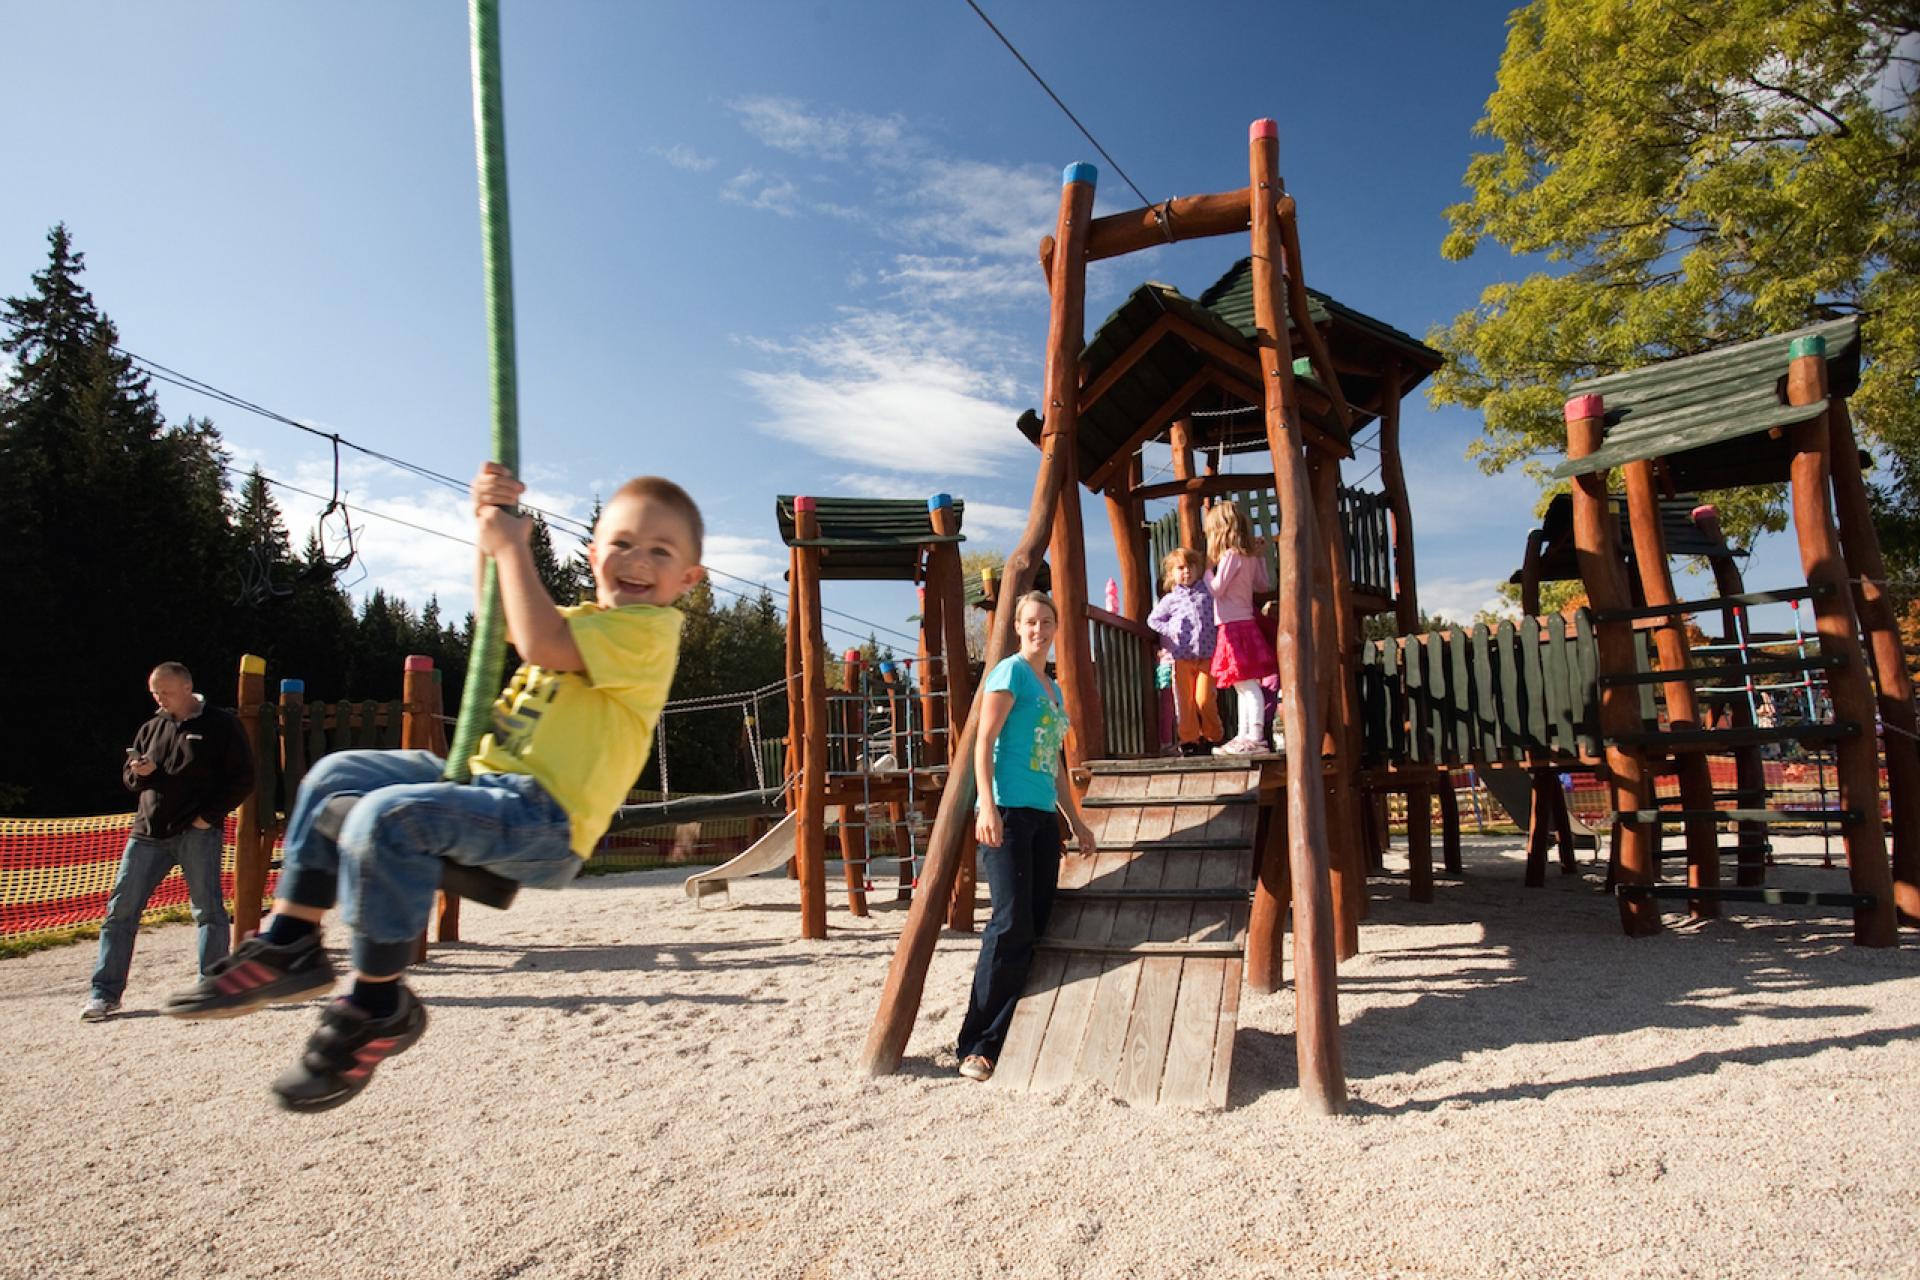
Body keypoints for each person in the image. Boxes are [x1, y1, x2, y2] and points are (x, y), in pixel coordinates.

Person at [164, 464, 704, 1112]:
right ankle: (292, 941)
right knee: (335, 776)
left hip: (543, 817)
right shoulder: (587, 619)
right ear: (594, 554)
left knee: (387, 818)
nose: (638, 560)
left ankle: (377, 1003)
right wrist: (488, 531)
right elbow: (502, 619)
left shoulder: (649, 633)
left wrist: (512, 546)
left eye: (660, 552)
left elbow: (538, 638)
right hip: (487, 781)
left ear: (688, 579)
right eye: (622, 543)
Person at [955, 591, 1098, 1082]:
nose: (1039, 629)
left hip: (1041, 818)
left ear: (1056, 628)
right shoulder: (1010, 673)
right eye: (1030, 622)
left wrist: (1075, 820)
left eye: (1046, 621)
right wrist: (988, 806)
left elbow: (1053, 761)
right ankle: (977, 1043)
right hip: (1008, 814)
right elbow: (984, 741)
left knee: (1036, 924)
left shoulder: (1052, 688)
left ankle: (1014, 1030)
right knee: (1009, 922)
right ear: (1018, 627)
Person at [81, 662, 254, 1021]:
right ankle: (104, 994)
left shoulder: (222, 725)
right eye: (155, 692)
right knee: (120, 913)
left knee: (208, 912)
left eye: (166, 692)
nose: (160, 698)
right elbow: (130, 780)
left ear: (188, 687)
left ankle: (212, 989)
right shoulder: (151, 727)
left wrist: (207, 819)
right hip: (147, 833)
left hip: (197, 833)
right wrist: (138, 773)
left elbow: (242, 779)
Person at [1204, 500, 1279, 755]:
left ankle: (1255, 738)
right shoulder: (1247, 557)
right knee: (1242, 684)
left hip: (1233, 626)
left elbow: (1216, 589)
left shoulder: (1230, 555)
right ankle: (1244, 735)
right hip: (1243, 623)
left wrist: (1206, 571)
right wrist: (1260, 557)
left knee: (1246, 685)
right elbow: (1262, 585)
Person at [1147, 547, 1223, 756]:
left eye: (1190, 567)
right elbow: (1153, 620)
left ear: (1198, 569)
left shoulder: (1207, 593)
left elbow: (1219, 613)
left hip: (1207, 655)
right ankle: (1189, 740)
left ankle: (1213, 736)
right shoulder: (1171, 599)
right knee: (1185, 702)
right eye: (1180, 568)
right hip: (1182, 657)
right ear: (1172, 574)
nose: (1186, 572)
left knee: (1204, 699)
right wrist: (1172, 630)